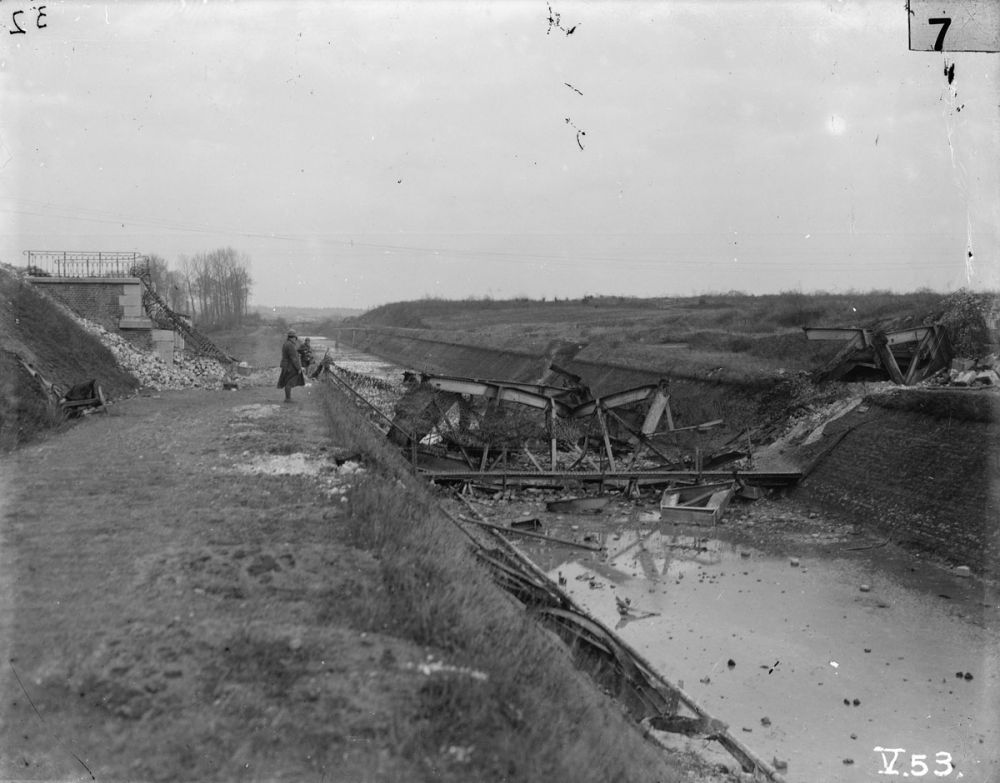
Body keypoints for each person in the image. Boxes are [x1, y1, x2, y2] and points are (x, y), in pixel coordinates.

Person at [276, 329, 304, 402]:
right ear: (293, 337)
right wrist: (298, 368)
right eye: (295, 338)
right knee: (290, 381)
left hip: (286, 365)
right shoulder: (290, 345)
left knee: (287, 381)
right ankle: (288, 399)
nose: (296, 339)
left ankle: (287, 398)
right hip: (290, 366)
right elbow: (294, 358)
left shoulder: (286, 343)